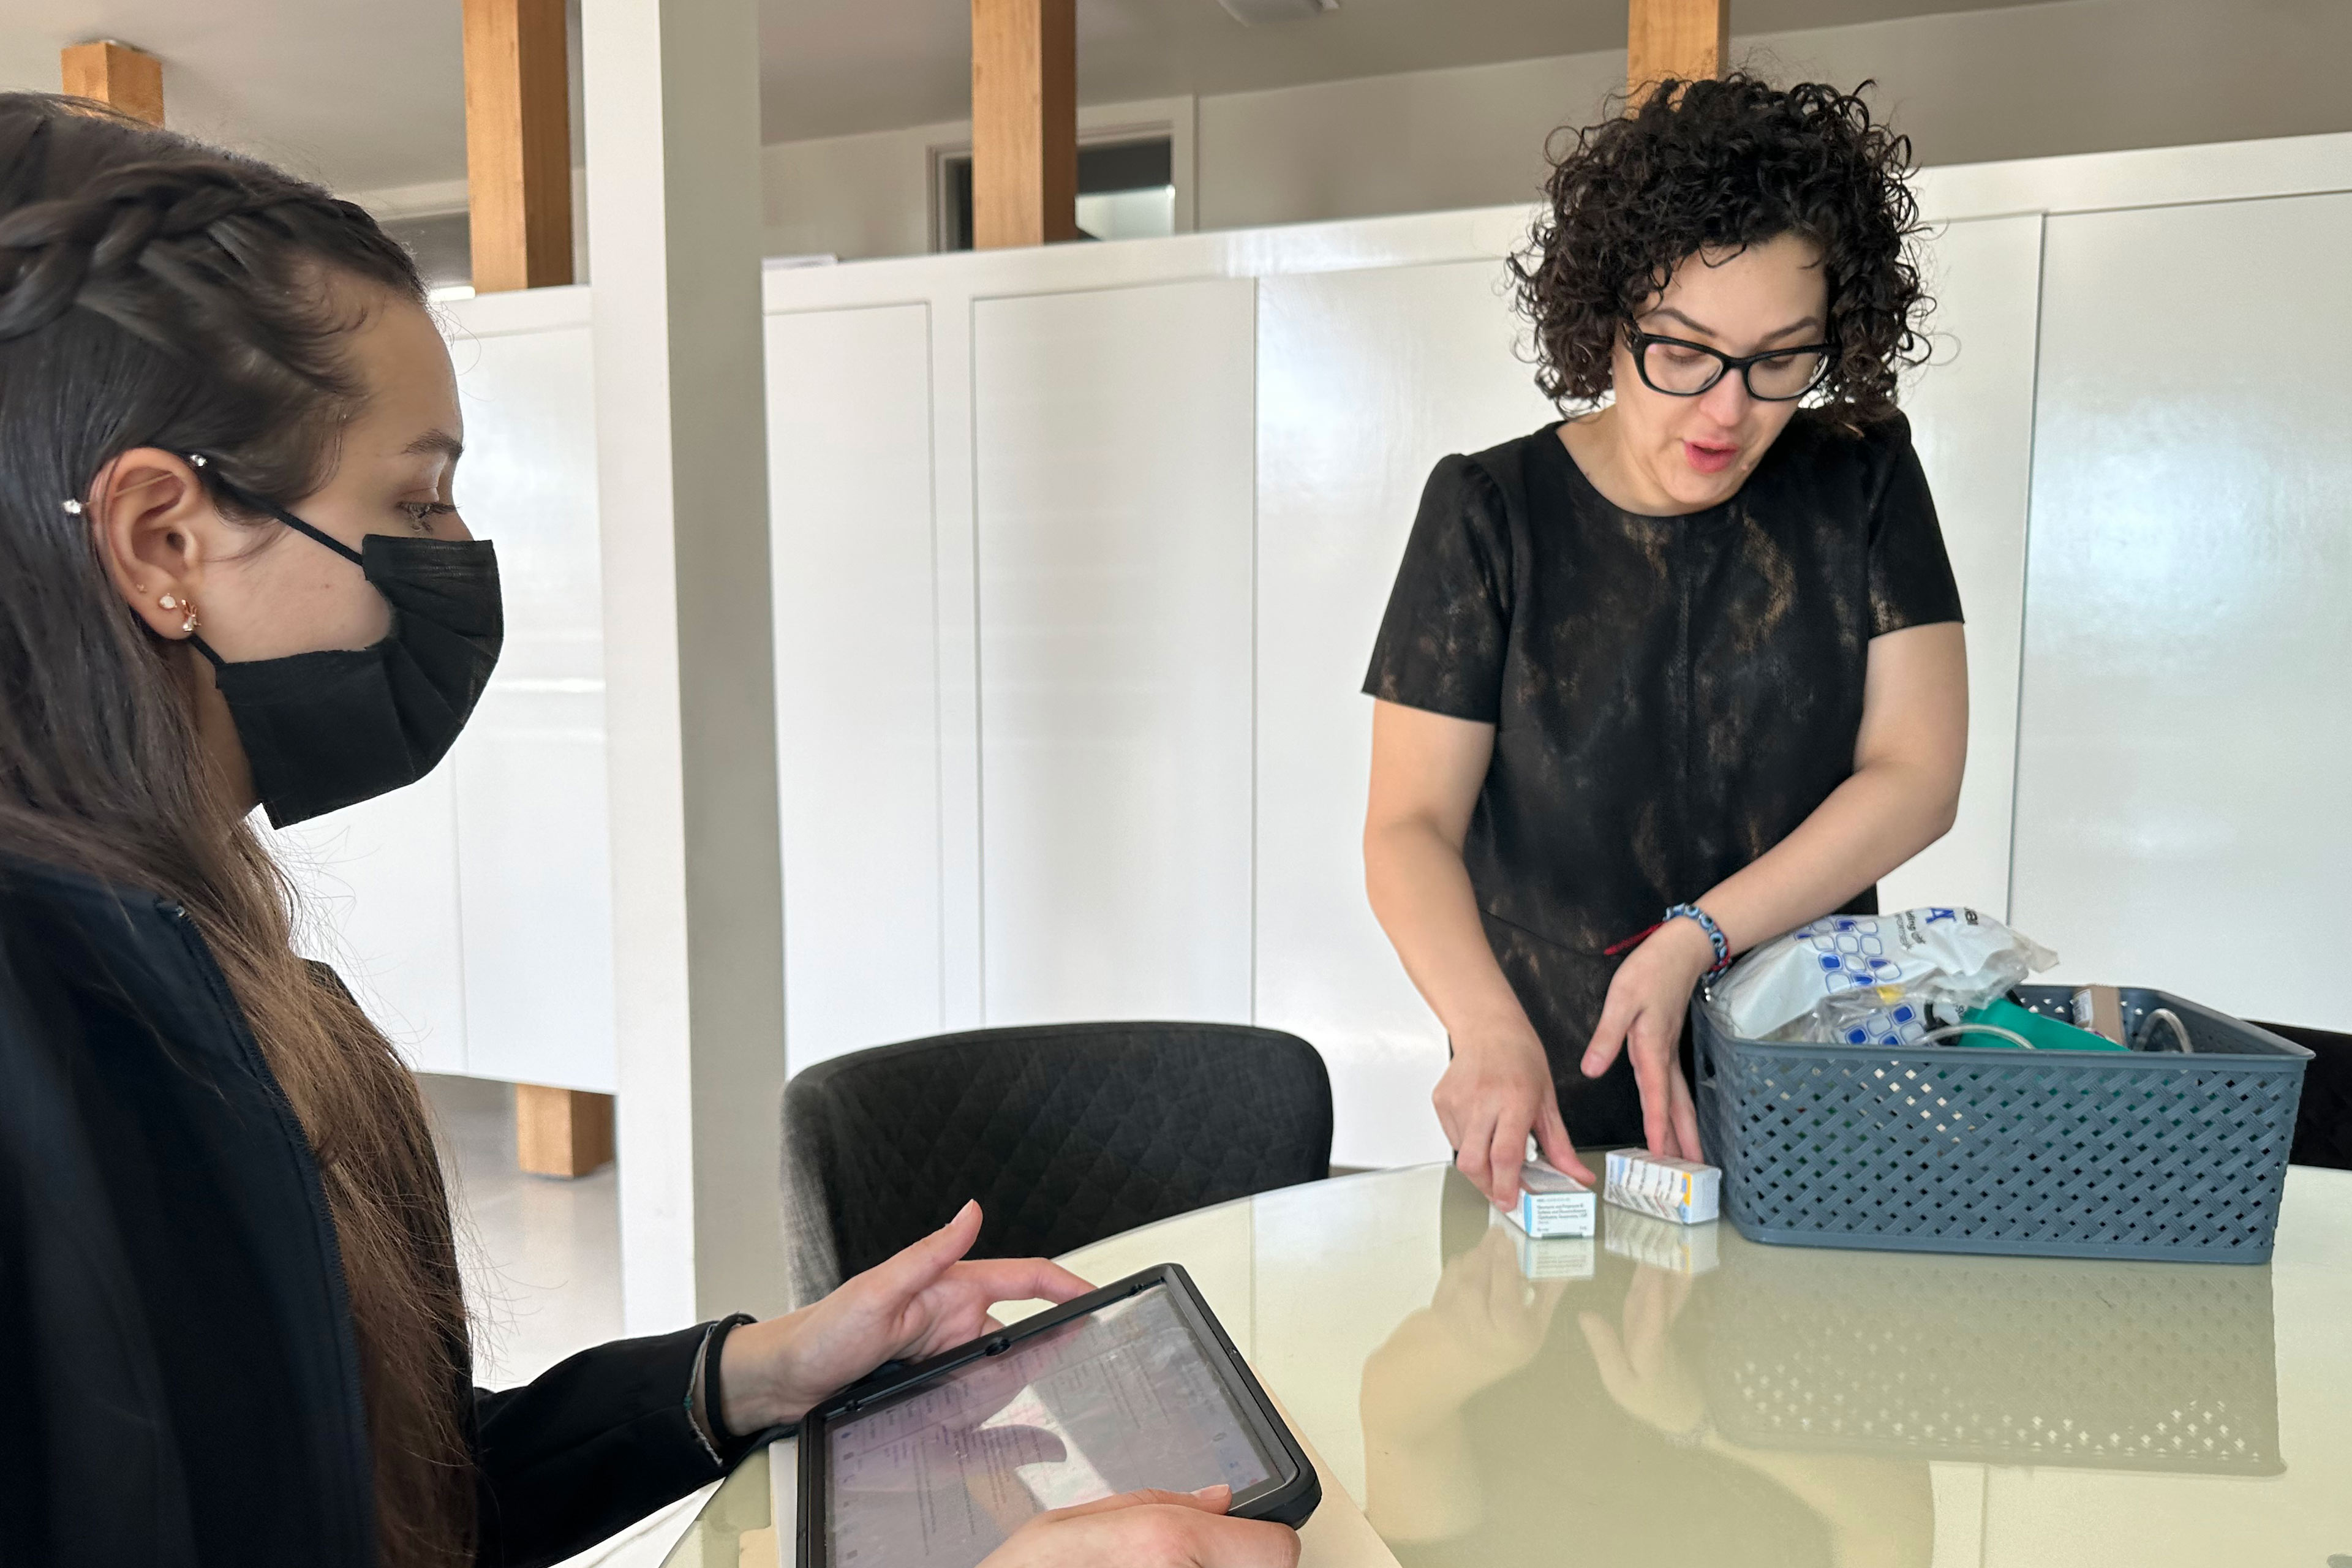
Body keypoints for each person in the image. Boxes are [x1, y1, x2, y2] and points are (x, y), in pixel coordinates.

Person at [0, 94, 1297, 1568]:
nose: (458, 557)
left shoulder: (213, 980)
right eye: (416, 497)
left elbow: (407, 1495)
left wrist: (761, 1368)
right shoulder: (63, 1065)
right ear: (164, 537)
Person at [1362, 76, 1967, 1207]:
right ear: (1607, 319)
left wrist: (1697, 936)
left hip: (1811, 1076)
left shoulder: (1862, 478)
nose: (1728, 410)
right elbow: (1408, 826)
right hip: (1550, 1081)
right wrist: (1484, 1026)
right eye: (1683, 351)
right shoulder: (1489, 512)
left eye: (1782, 360)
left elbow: (1919, 779)